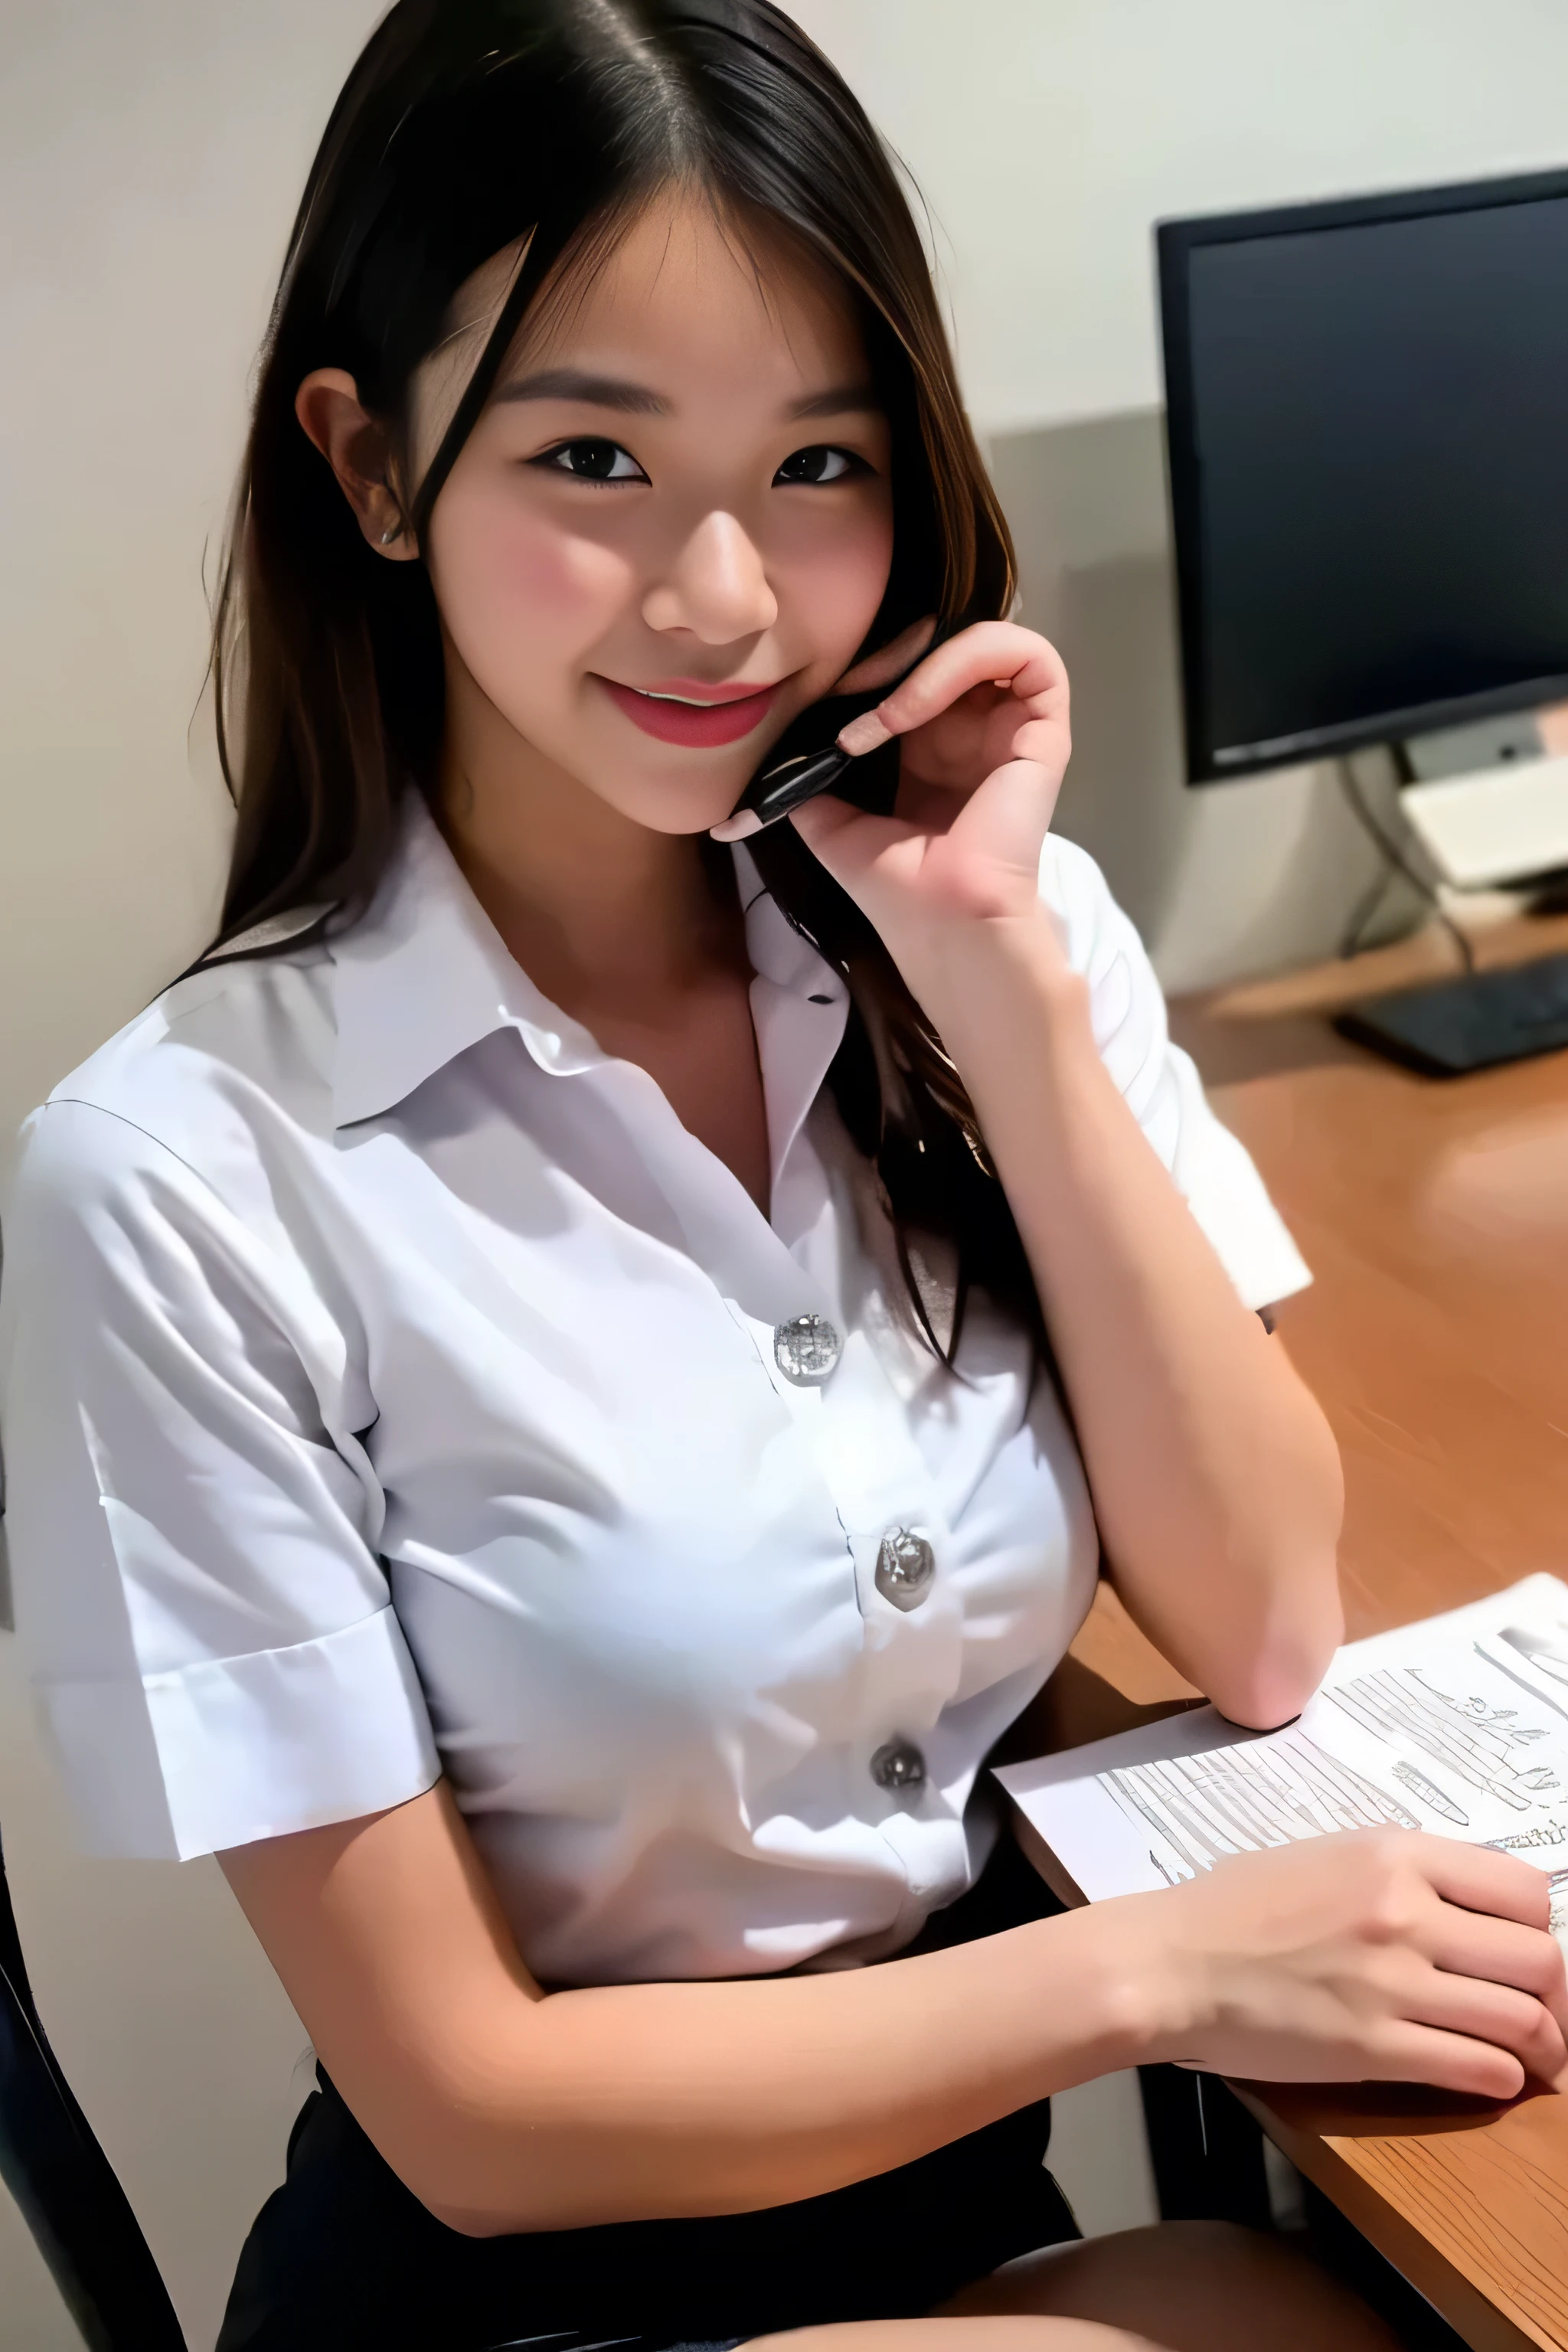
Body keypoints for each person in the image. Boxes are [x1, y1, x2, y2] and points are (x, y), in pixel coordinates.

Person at [4, 5, 1565, 2350]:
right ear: (373, 461)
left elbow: (1258, 1620)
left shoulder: (977, 931)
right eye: (595, 459)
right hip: (526, 2297)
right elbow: (472, 2107)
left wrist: (1005, 991)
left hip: (961, 2236)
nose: (725, 597)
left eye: (816, 458)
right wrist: (1154, 1972)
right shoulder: (179, 1177)